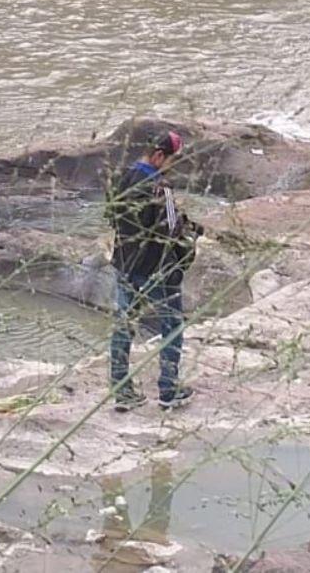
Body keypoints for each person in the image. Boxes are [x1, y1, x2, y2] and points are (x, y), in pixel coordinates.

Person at [107, 130, 200, 411]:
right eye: (172, 160)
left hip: (125, 263)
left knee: (125, 324)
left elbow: (111, 216)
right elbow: (173, 230)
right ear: (159, 156)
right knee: (171, 326)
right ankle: (168, 389)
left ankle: (122, 391)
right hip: (158, 270)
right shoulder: (161, 187)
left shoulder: (120, 178)